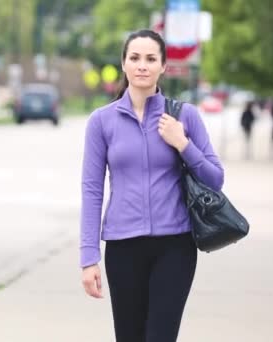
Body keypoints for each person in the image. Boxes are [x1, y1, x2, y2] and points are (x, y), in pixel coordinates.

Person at [80, 29, 224, 342]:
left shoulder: (185, 116)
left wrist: (183, 143)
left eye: (150, 59)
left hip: (175, 247)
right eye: (134, 58)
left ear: (162, 66)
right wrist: (89, 257)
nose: (142, 65)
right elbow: (92, 191)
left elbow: (215, 179)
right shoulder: (101, 122)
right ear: (123, 64)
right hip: (123, 246)